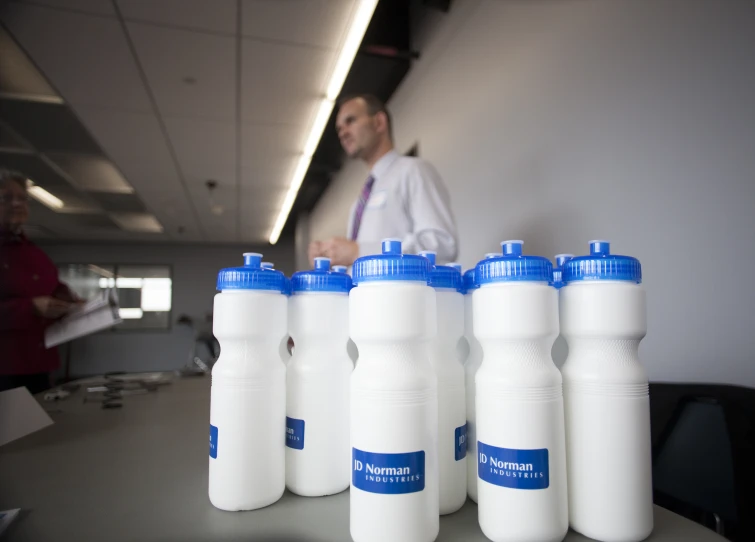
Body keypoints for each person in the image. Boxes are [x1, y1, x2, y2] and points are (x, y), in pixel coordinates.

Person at [309, 94, 458, 266]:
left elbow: (442, 245)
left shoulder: (413, 171)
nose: (343, 133)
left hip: (403, 293)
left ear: (379, 122)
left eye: (350, 121)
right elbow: (359, 257)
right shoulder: (361, 199)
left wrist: (360, 252)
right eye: (339, 128)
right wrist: (331, 257)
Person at [0, 170, 79, 394]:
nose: (17, 204)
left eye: (23, 198)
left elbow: (52, 286)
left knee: (37, 428)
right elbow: (31, 302)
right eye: (5, 198)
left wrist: (65, 298)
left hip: (37, 365)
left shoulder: (33, 252)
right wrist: (31, 307)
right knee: (12, 429)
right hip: (5, 370)